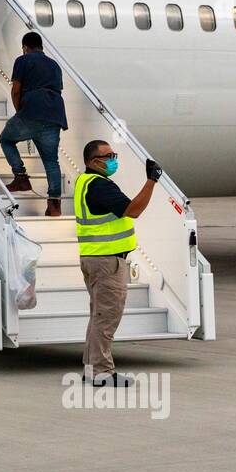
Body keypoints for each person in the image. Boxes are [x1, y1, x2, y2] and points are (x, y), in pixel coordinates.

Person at [74, 140, 164, 387]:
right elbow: (133, 210)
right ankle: (102, 373)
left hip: (95, 258)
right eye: (108, 156)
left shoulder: (85, 182)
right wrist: (151, 180)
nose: (113, 159)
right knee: (106, 318)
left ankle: (91, 369)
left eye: (114, 154)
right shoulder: (100, 186)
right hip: (107, 262)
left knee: (98, 316)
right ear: (93, 162)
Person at [0, 32, 67, 215]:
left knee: (6, 139)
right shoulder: (54, 65)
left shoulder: (23, 60)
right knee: (51, 160)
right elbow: (57, 89)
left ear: (25, 47)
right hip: (55, 114)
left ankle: (20, 176)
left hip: (32, 110)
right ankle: (54, 204)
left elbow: (16, 89)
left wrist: (19, 111)